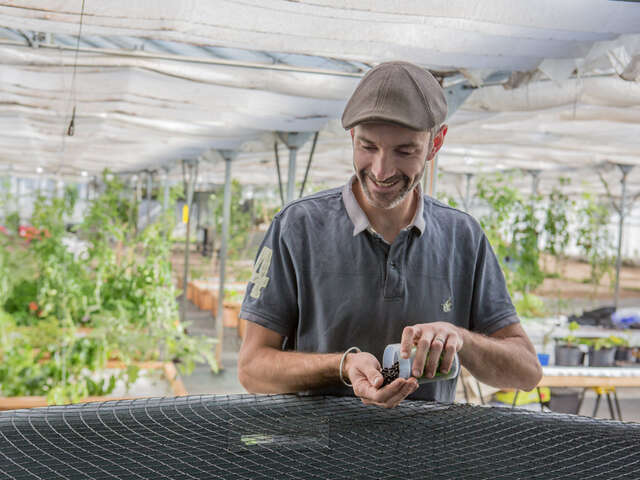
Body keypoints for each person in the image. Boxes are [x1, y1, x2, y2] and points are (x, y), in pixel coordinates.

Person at [238, 61, 542, 408]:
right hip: (320, 457)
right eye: (368, 147)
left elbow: (526, 372)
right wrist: (343, 365)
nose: (382, 171)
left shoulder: (463, 237)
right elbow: (252, 368)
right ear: (352, 136)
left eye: (405, 151)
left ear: (435, 143)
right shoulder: (297, 227)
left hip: (423, 458)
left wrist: (459, 338)